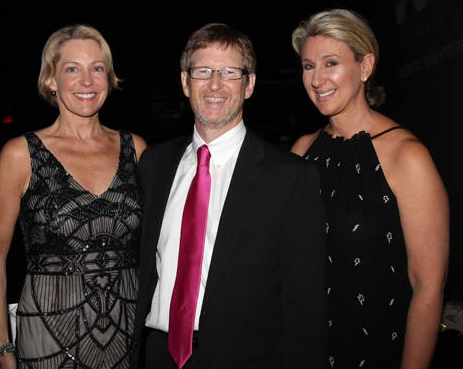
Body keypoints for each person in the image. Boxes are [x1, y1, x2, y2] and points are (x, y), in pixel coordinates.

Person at [132, 23, 327, 369]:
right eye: (203, 71)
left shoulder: (290, 177)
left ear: (249, 85)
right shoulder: (153, 165)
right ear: (185, 82)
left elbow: (305, 306)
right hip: (157, 355)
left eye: (229, 72)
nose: (215, 84)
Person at [0, 24, 146, 369]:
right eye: (72, 69)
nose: (87, 81)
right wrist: (3, 350)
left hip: (127, 334)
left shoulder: (137, 149)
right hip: (47, 337)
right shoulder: (20, 155)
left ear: (109, 78)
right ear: (50, 80)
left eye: (97, 68)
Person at [290, 9, 449, 369]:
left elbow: (427, 288)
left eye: (331, 63)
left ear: (365, 66)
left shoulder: (407, 156)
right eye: (308, 66)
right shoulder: (301, 152)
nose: (317, 79)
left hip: (375, 351)